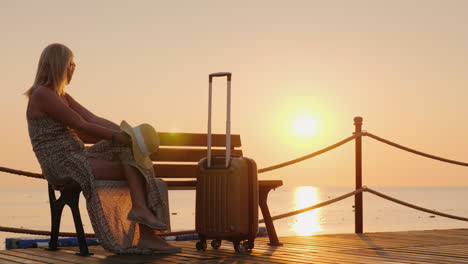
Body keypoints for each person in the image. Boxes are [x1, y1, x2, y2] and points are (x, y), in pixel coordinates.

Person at [25, 43, 180, 254]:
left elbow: (93, 119)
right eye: (71, 64)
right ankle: (145, 229)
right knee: (132, 165)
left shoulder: (63, 96)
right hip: (60, 162)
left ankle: (144, 223)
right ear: (58, 65)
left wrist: (128, 134)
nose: (73, 68)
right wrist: (119, 137)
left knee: (131, 152)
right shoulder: (42, 94)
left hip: (77, 154)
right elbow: (81, 125)